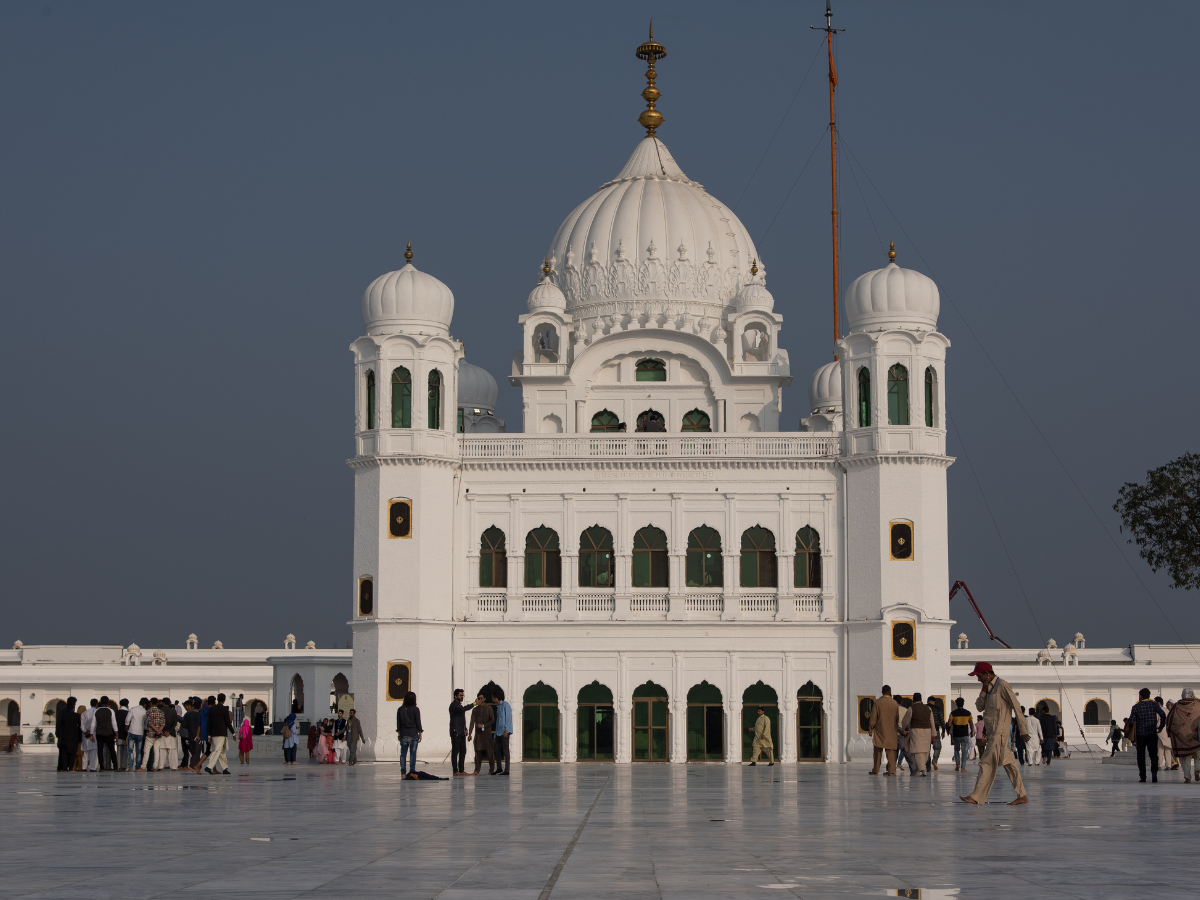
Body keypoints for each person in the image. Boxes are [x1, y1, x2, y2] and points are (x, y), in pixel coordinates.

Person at [961, 662, 1031, 806]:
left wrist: (1023, 729)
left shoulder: (1002, 685)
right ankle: (1022, 795)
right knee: (1009, 764)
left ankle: (975, 796)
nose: (978, 679)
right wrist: (984, 689)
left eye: (979, 676)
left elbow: (1016, 706)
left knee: (986, 763)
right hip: (993, 732)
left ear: (987, 674)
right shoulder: (987, 688)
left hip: (1000, 732)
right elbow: (980, 707)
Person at [1130, 687, 1167, 783]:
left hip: (1140, 734)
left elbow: (1131, 721)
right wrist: (1160, 727)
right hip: (1152, 733)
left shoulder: (1136, 707)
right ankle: (1154, 774)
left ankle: (1143, 777)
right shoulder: (1154, 705)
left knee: (1141, 756)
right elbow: (1163, 715)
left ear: (1141, 696)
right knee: (1153, 755)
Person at [1166, 689, 1200, 783]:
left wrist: (1169, 731)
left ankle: (1187, 777)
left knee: (1185, 758)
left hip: (1181, 737)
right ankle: (1198, 770)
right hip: (1196, 737)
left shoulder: (1177, 706)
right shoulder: (1198, 704)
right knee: (1198, 756)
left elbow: (1169, 719)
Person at [867, 685, 900, 776]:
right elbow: (897, 718)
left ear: (882, 692)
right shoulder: (894, 703)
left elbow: (873, 716)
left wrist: (871, 727)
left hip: (880, 730)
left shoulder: (878, 702)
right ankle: (891, 771)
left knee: (877, 751)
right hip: (891, 730)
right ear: (889, 692)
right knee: (891, 752)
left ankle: (876, 770)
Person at [901, 692, 934, 776]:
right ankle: (920, 768)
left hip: (916, 731)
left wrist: (903, 728)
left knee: (917, 750)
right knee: (925, 750)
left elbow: (905, 720)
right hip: (927, 731)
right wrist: (933, 733)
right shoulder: (928, 708)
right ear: (921, 699)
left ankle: (922, 769)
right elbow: (932, 722)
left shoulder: (911, 708)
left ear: (913, 699)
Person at [205, 692, 232, 775]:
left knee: (221, 752)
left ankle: (225, 768)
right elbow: (228, 722)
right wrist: (233, 733)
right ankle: (209, 767)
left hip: (214, 734)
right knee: (217, 750)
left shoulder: (212, 709)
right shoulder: (224, 709)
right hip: (221, 733)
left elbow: (209, 723)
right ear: (224, 700)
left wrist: (209, 735)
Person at [469, 691, 496, 775]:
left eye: (481, 698)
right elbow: (472, 722)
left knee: (490, 752)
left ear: (484, 699)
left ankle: (491, 770)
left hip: (486, 733)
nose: (480, 700)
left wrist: (483, 725)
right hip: (478, 734)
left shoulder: (488, 708)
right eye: (478, 698)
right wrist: (470, 733)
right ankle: (477, 770)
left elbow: (492, 720)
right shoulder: (475, 710)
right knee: (477, 751)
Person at [397, 692, 423, 775]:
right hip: (413, 733)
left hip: (404, 734)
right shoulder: (416, 709)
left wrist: (399, 733)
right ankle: (412, 771)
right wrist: (420, 732)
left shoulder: (400, 709)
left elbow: (399, 723)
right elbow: (418, 722)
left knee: (403, 754)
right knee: (413, 754)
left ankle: (403, 773)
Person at [449, 689, 474, 776]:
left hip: (461, 731)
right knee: (455, 751)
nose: (462, 697)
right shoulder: (454, 706)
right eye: (460, 695)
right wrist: (474, 704)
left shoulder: (459, 706)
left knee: (463, 750)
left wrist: (465, 728)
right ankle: (455, 771)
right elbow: (463, 709)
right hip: (456, 731)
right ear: (455, 696)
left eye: (462, 695)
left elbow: (461, 719)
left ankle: (461, 769)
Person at [947, 698, 973, 772]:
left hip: (956, 734)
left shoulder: (953, 713)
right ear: (963, 703)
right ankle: (963, 767)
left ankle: (957, 764)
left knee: (956, 749)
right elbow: (971, 724)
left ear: (956, 704)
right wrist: (972, 732)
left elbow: (949, 724)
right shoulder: (968, 713)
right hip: (965, 734)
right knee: (964, 750)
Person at [55, 697, 80, 772]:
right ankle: (69, 767)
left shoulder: (62, 712)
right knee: (71, 752)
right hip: (72, 736)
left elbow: (59, 724)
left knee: (63, 753)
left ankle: (62, 768)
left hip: (64, 735)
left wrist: (58, 734)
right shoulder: (75, 714)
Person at [94, 696, 118, 771]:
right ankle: (115, 767)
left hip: (99, 733)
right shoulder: (111, 711)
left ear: (100, 702)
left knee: (100, 751)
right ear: (108, 702)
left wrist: (91, 734)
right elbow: (114, 723)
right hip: (109, 733)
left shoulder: (96, 711)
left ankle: (102, 767)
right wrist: (116, 733)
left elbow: (93, 724)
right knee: (112, 750)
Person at [493, 688, 512, 776]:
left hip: (504, 732)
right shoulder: (498, 707)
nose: (492, 699)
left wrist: (507, 730)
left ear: (496, 698)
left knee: (505, 750)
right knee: (496, 750)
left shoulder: (505, 705)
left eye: (493, 698)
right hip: (498, 733)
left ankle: (507, 770)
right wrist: (495, 735)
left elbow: (508, 718)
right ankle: (499, 768)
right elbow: (498, 722)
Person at [144, 698, 167, 772]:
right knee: (156, 751)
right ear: (157, 703)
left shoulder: (148, 711)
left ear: (150, 703)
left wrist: (156, 730)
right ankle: (155, 767)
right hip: (158, 735)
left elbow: (150, 723)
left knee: (146, 751)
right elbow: (163, 724)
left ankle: (143, 766)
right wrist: (159, 731)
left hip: (150, 734)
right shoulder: (161, 712)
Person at [125, 698, 146, 772]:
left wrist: (127, 726)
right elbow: (145, 724)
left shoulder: (133, 709)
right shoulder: (145, 711)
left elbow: (127, 719)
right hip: (140, 733)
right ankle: (137, 767)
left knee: (130, 750)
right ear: (145, 704)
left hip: (132, 731)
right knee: (139, 751)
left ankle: (130, 766)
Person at [181, 699, 202, 772]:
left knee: (192, 750)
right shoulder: (200, 714)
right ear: (200, 708)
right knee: (197, 750)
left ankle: (197, 766)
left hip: (190, 734)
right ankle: (194, 765)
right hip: (198, 734)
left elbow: (184, 725)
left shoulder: (188, 714)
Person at [1157, 697, 1177, 770]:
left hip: (1160, 732)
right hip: (1168, 732)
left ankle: (1159, 765)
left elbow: (1156, 722)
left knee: (1160, 750)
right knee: (1168, 750)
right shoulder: (1168, 711)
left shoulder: (1158, 710)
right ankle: (1168, 765)